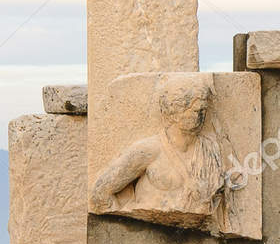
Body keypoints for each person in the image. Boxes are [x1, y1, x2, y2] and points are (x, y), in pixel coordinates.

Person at [90, 74, 229, 231]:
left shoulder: (210, 149)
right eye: (196, 110)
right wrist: (123, 227)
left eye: (204, 109)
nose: (200, 115)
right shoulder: (148, 150)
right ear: (174, 111)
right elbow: (100, 193)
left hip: (199, 234)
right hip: (148, 232)